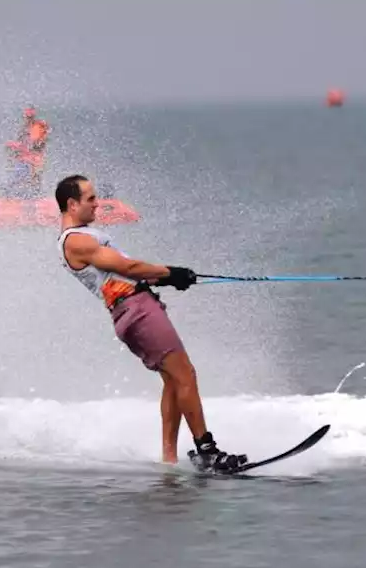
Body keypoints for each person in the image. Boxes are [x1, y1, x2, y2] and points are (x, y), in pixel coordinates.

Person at [55, 174, 246, 472]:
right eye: (90, 199)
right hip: (137, 311)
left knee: (172, 380)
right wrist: (171, 272)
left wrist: (168, 278)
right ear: (71, 204)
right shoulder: (77, 241)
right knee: (186, 374)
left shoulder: (86, 235)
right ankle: (208, 451)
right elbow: (127, 267)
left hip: (134, 308)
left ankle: (168, 460)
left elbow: (128, 273)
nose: (97, 204)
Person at [0, 107, 50, 199]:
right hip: (26, 159)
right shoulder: (25, 129)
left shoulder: (37, 127)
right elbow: (23, 144)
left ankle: (31, 196)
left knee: (31, 178)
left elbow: (39, 144)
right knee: (21, 178)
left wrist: (19, 148)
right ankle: (13, 195)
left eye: (30, 117)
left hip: (33, 159)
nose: (28, 119)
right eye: (27, 117)